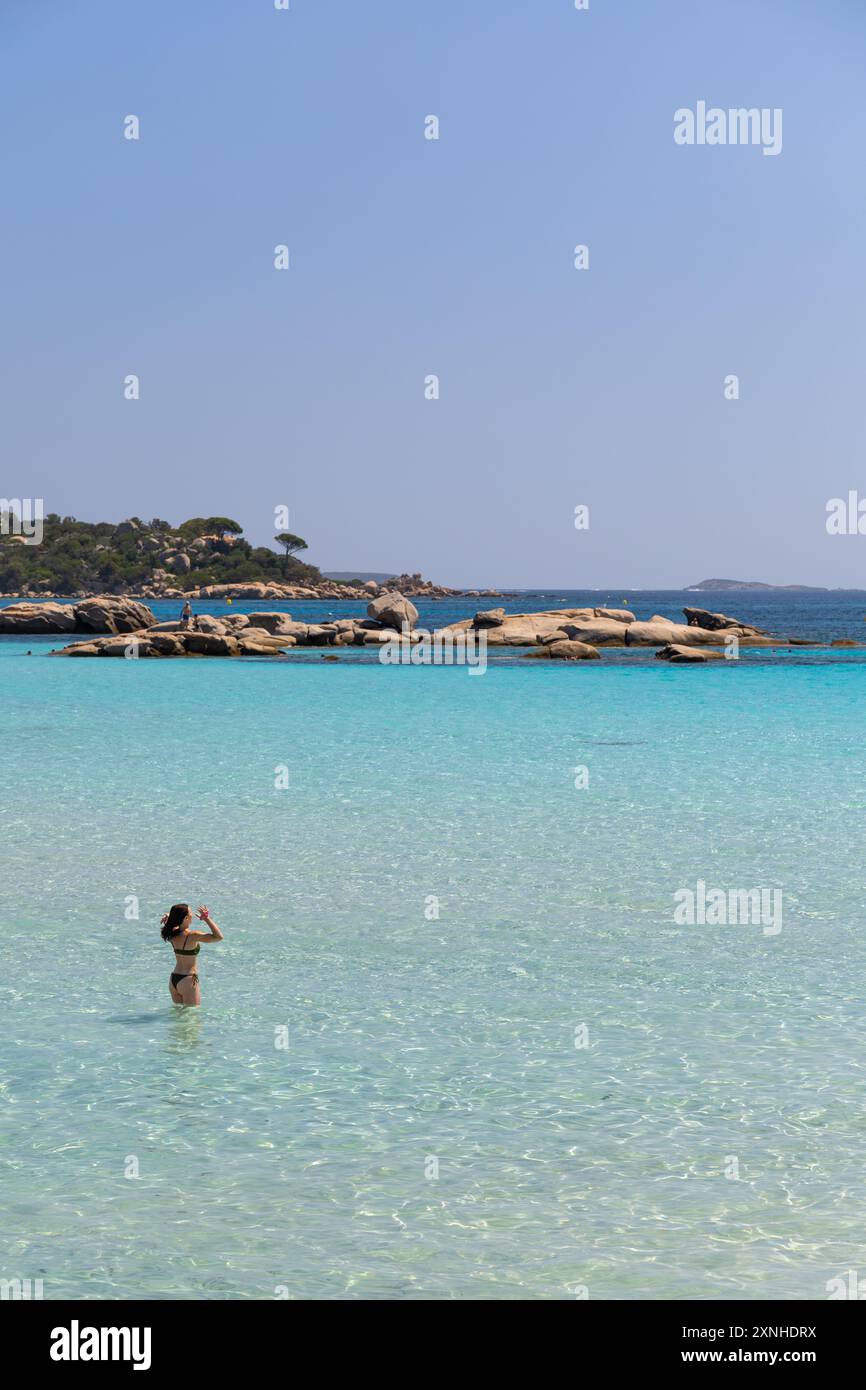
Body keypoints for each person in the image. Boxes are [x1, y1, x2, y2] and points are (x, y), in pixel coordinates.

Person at [160, 904, 223, 1007]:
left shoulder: (172, 933)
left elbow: (173, 923)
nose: (192, 915)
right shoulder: (193, 935)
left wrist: (169, 916)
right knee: (192, 1019)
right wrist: (207, 919)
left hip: (174, 980)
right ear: (185, 918)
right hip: (187, 980)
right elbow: (218, 937)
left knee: (179, 1017)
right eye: (190, 913)